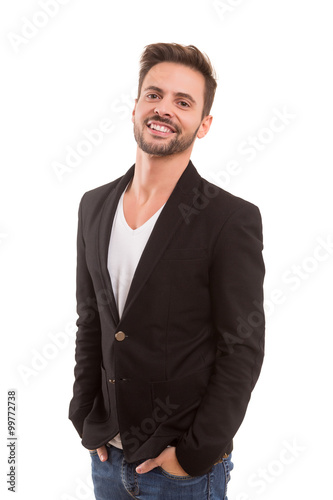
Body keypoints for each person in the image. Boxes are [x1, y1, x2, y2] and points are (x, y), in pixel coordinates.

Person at [68, 42, 265, 500]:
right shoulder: (93, 206)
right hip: (106, 459)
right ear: (135, 106)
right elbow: (90, 320)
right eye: (154, 95)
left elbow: (243, 348)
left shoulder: (229, 218)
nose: (164, 109)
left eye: (183, 102)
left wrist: (193, 454)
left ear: (204, 124)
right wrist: (84, 417)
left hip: (181, 472)